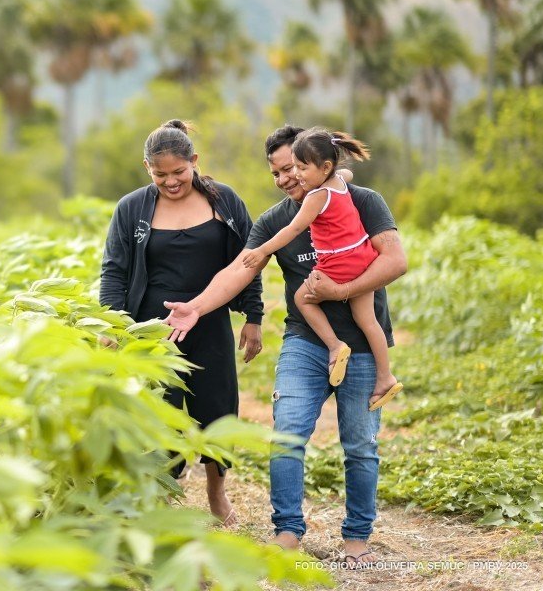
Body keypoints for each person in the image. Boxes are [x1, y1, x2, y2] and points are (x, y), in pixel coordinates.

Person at [161, 125, 407, 568]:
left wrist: (341, 289)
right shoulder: (276, 219)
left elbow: (396, 260)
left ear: (314, 164)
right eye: (276, 173)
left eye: (291, 168)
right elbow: (241, 268)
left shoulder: (363, 201)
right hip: (305, 344)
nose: (284, 179)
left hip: (364, 347)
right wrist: (196, 307)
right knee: (287, 436)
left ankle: (357, 540)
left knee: (360, 446)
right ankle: (287, 532)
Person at [99, 119, 264, 526]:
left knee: (217, 407)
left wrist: (254, 316)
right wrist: (112, 324)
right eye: (160, 175)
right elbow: (114, 271)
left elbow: (250, 259)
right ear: (146, 168)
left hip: (209, 323)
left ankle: (216, 491)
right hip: (151, 329)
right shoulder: (132, 207)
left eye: (179, 172)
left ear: (195, 161)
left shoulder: (224, 201)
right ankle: (162, 494)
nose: (171, 182)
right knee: (159, 409)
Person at [240, 128, 402, 411]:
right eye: (278, 173)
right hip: (361, 259)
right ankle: (385, 376)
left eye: (298, 168)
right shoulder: (339, 180)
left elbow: (294, 228)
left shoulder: (316, 197)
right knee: (369, 321)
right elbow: (345, 174)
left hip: (337, 265)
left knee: (304, 299)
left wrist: (263, 250)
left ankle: (334, 346)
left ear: (323, 167)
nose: (296, 177)